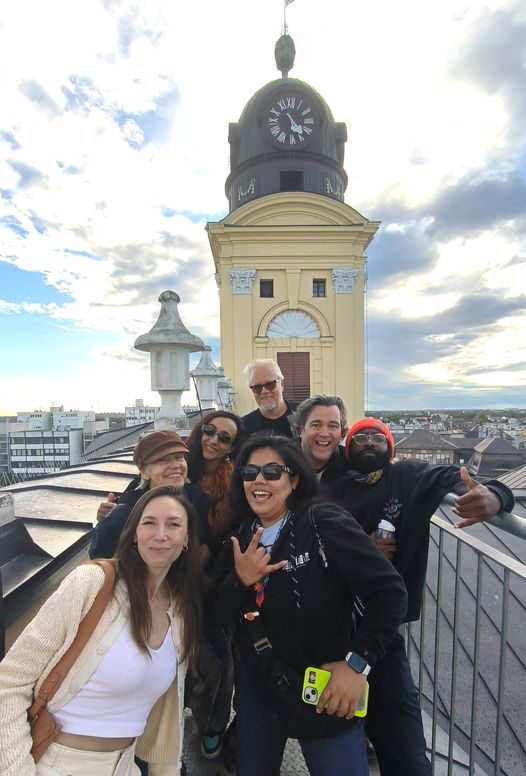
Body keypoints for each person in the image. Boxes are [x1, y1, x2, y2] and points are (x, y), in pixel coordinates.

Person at [326, 417, 515, 776]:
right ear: (346, 448)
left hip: (380, 628)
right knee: (336, 736)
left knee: (405, 744)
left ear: (390, 449)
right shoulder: (329, 485)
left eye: (377, 438)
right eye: (360, 437)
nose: (368, 442)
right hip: (330, 621)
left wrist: (496, 496)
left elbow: (458, 478)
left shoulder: (410, 476)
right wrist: (363, 550)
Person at [211, 433, 408, 776]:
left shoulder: (322, 523)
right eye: (249, 472)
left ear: (294, 479)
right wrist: (238, 581)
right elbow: (214, 613)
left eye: (272, 471)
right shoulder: (240, 533)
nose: (259, 480)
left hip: (325, 687)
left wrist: (356, 664)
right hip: (259, 686)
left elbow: (389, 592)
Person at [0, 486, 203, 776]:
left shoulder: (180, 610)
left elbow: (169, 721)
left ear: (186, 539)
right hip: (59, 765)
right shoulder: (92, 583)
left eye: (173, 525)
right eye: (149, 523)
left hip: (125, 766)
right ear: (134, 533)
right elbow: (9, 683)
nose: (161, 535)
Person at [183, 410, 243, 761]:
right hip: (172, 580)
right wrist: (110, 511)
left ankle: (212, 725)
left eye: (225, 438)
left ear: (231, 448)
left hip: (215, 581)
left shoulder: (235, 482)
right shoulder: (177, 464)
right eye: (210, 431)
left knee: (220, 658)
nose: (214, 440)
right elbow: (139, 494)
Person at [90, 430, 210, 560]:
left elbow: (204, 540)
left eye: (179, 457)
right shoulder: (124, 514)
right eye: (162, 460)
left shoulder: (197, 497)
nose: (175, 465)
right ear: (144, 472)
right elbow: (100, 564)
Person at [290, 394, 348, 481]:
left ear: (342, 432)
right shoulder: (281, 461)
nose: (324, 434)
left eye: (333, 426)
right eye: (316, 425)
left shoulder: (351, 464)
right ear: (301, 429)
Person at [242, 359, 295, 438]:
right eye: (257, 387)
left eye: (270, 384)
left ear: (282, 384)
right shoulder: (243, 427)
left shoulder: (305, 416)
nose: (264, 391)